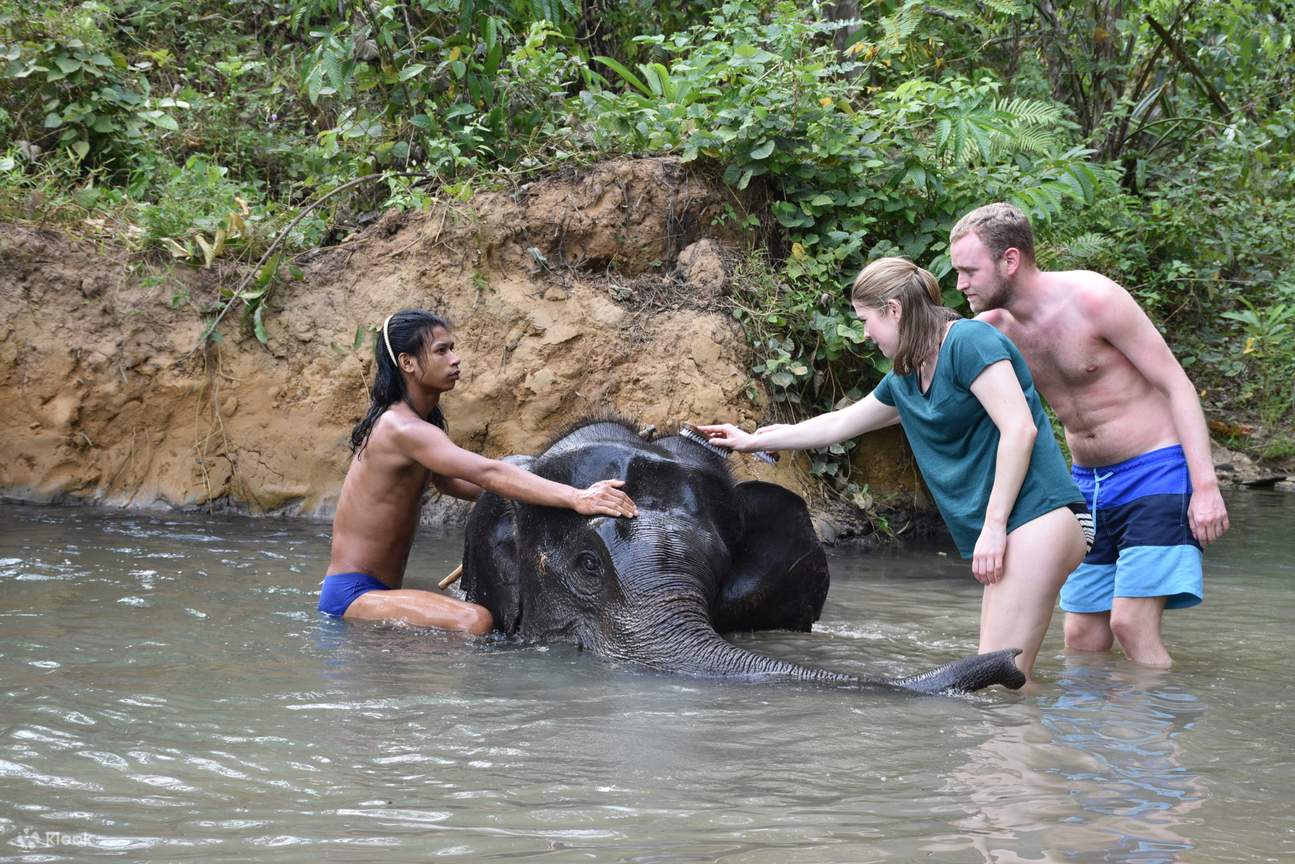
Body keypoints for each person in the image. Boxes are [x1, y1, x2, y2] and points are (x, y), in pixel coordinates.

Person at [701, 257, 1090, 683]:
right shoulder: (906, 376)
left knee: (999, 683)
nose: (865, 333)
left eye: (865, 320)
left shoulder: (969, 342)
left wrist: (994, 528)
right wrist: (752, 440)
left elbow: (1019, 428)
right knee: (1001, 683)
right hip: (1017, 527)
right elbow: (839, 423)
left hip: (1039, 517)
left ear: (894, 309)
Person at [948, 202, 1229, 667]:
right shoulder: (991, 331)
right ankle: (1098, 719)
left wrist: (1205, 486)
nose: (960, 284)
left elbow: (1175, 384)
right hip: (1084, 484)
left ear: (1010, 260)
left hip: (1155, 468)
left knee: (1130, 624)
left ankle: (1161, 715)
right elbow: (928, 386)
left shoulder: (1094, 299)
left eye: (969, 271)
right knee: (1081, 636)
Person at [319, 309, 638, 633]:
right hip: (352, 595)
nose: (455, 359)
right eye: (441, 351)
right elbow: (487, 473)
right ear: (407, 363)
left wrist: (544, 499)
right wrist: (576, 497)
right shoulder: (401, 428)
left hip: (375, 592)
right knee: (475, 621)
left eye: (452, 348)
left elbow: (452, 484)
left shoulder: (414, 426)